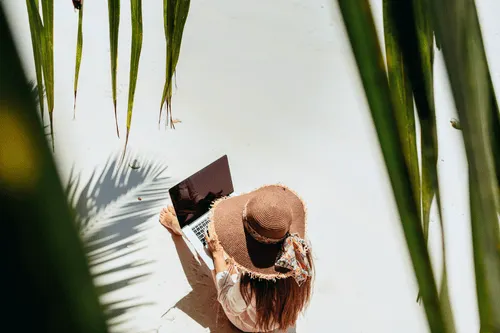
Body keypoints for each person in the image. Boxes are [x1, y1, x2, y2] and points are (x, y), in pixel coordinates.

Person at [160, 184, 314, 332]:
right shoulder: (298, 251)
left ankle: (183, 227)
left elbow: (229, 303)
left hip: (254, 323)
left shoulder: (250, 286)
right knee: (227, 259)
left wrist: (217, 255)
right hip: (279, 313)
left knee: (220, 257)